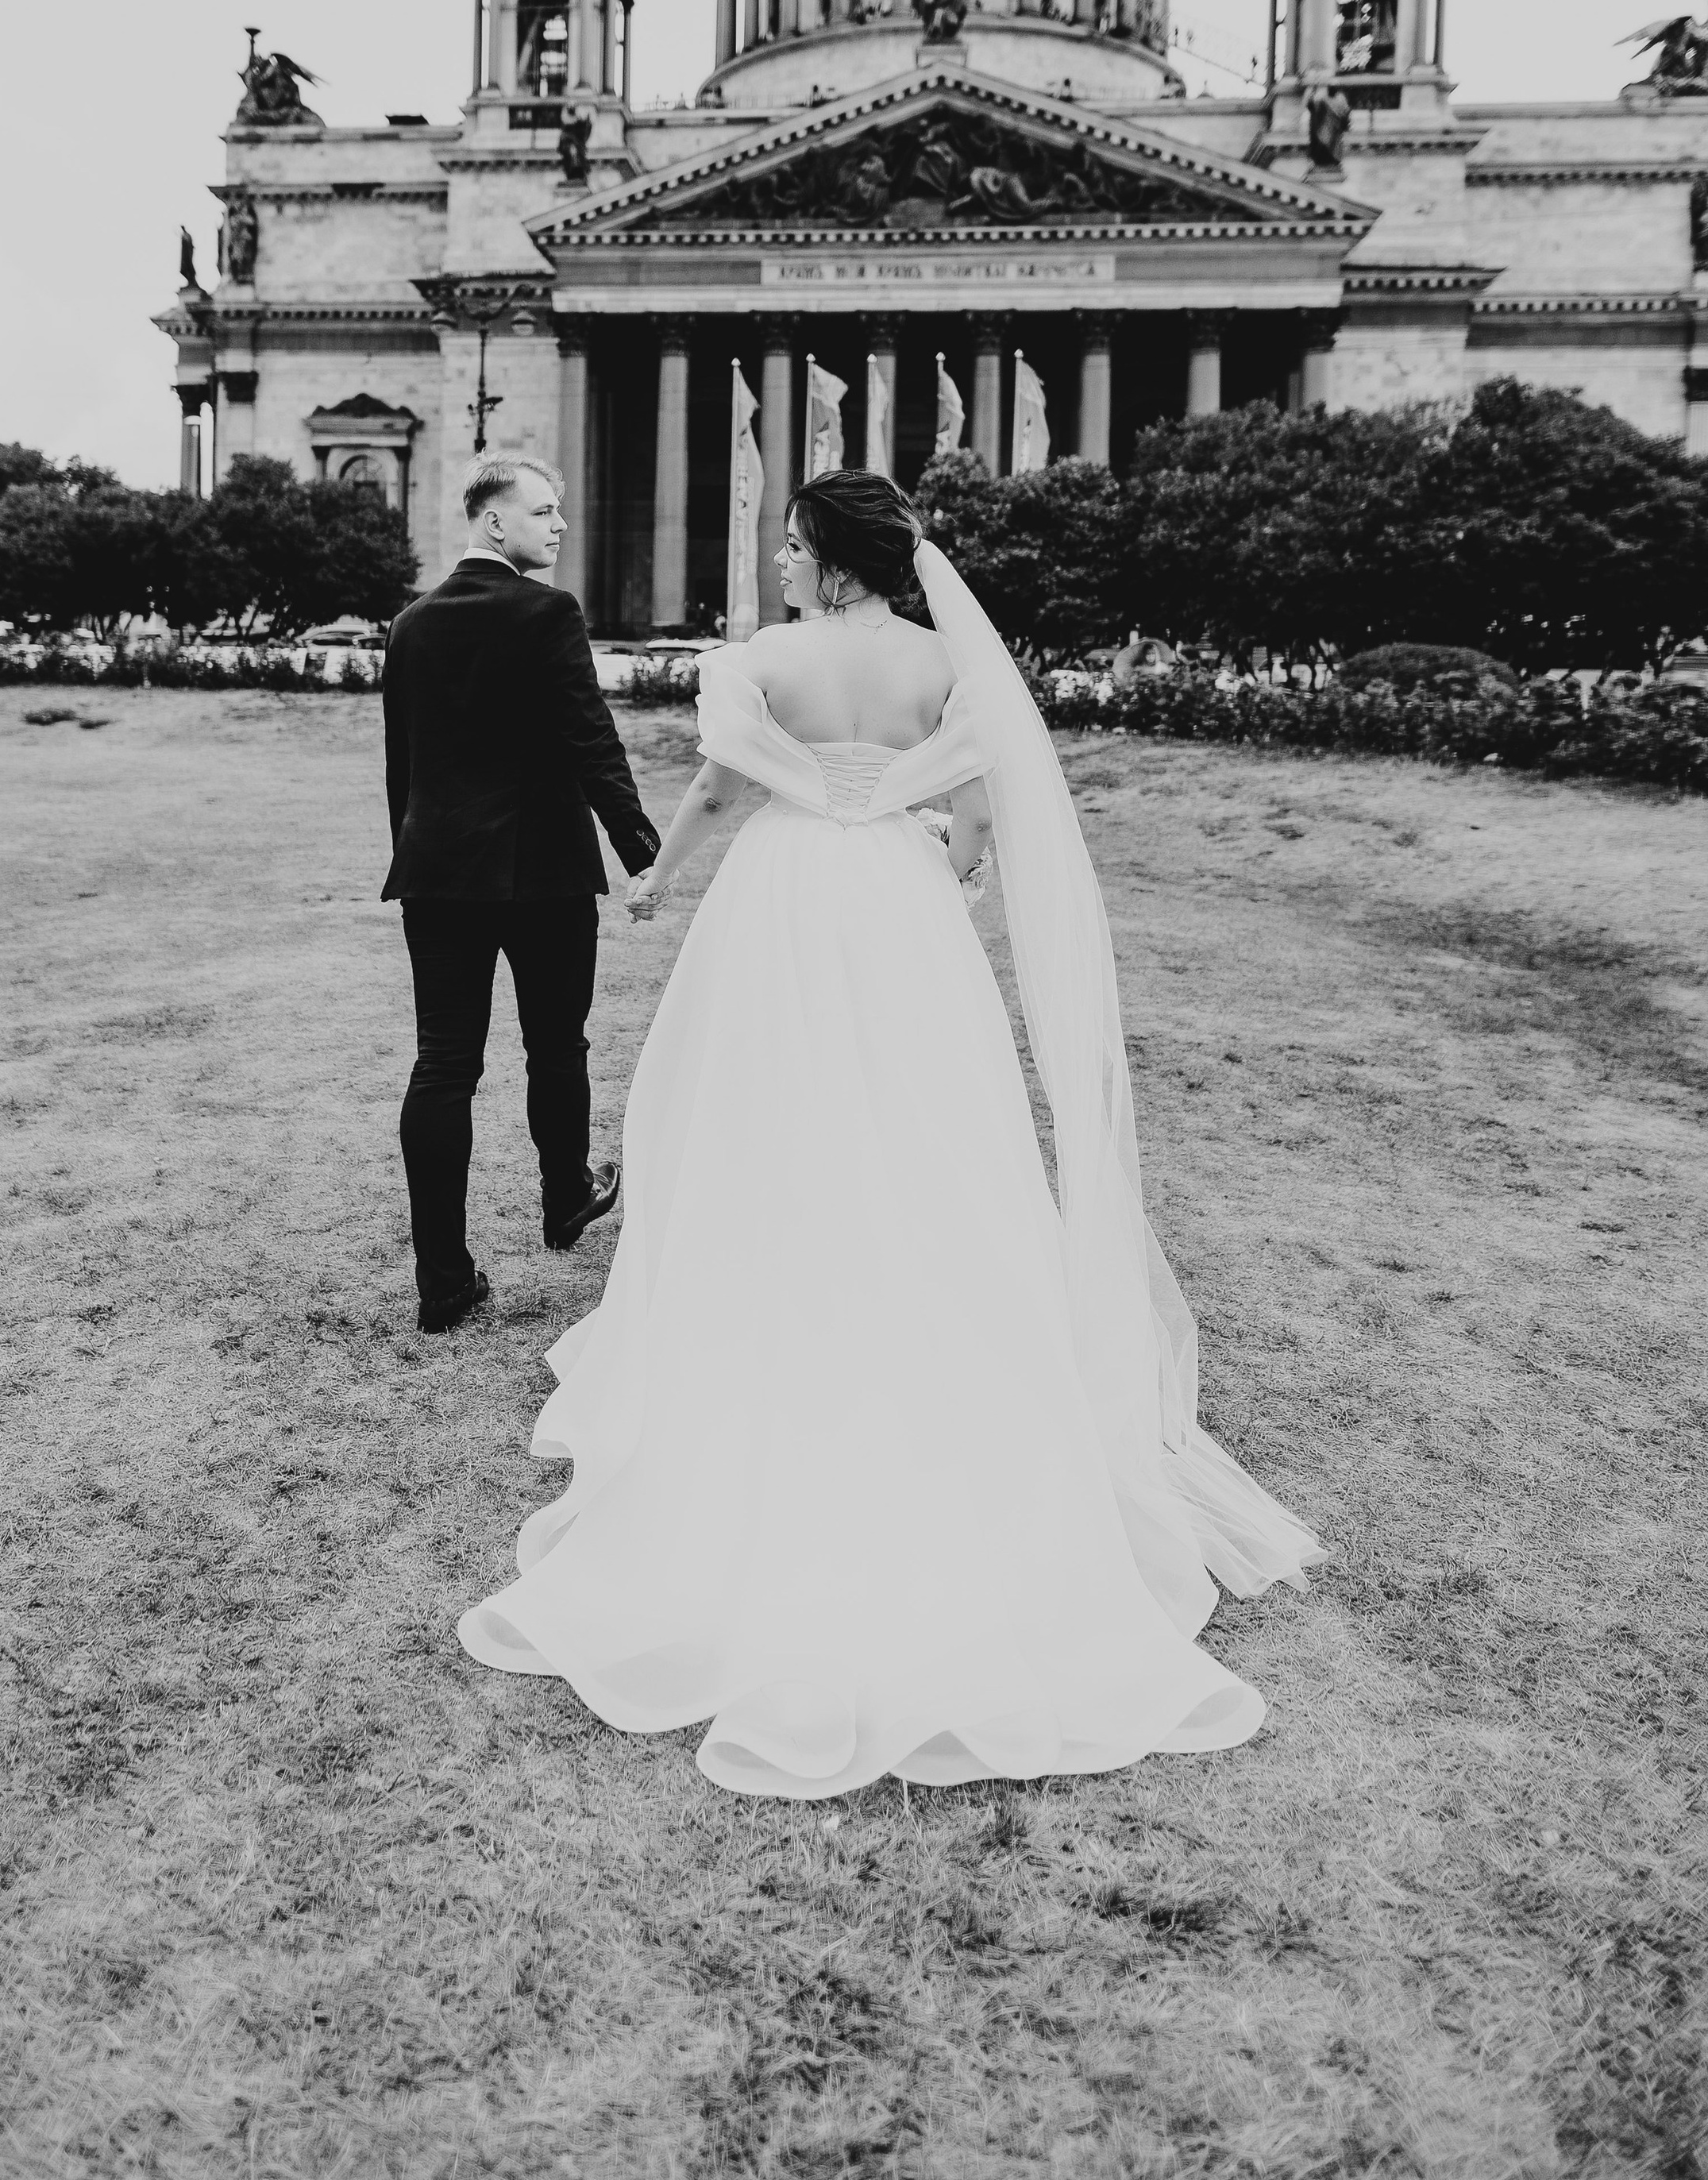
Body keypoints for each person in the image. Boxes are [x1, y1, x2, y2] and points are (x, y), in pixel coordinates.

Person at [461, 469, 1321, 1797]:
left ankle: (777, 1293)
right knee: (928, 1113)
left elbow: (722, 795)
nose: (785, 563)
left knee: (762, 1100)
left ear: (840, 562)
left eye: (797, 547)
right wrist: (949, 868)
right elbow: (980, 808)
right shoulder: (945, 664)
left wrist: (656, 884)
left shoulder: (761, 660)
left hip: (787, 895)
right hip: (901, 903)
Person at [381, 455, 661, 1335]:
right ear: (494, 523)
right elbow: (589, 736)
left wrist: (417, 852)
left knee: (443, 1068)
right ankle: (565, 1197)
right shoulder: (548, 613)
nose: (560, 526)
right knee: (555, 1045)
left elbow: (404, 767)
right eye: (544, 513)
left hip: (438, 877)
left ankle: (442, 1279)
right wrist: (640, 849)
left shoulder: (411, 623)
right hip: (542, 874)